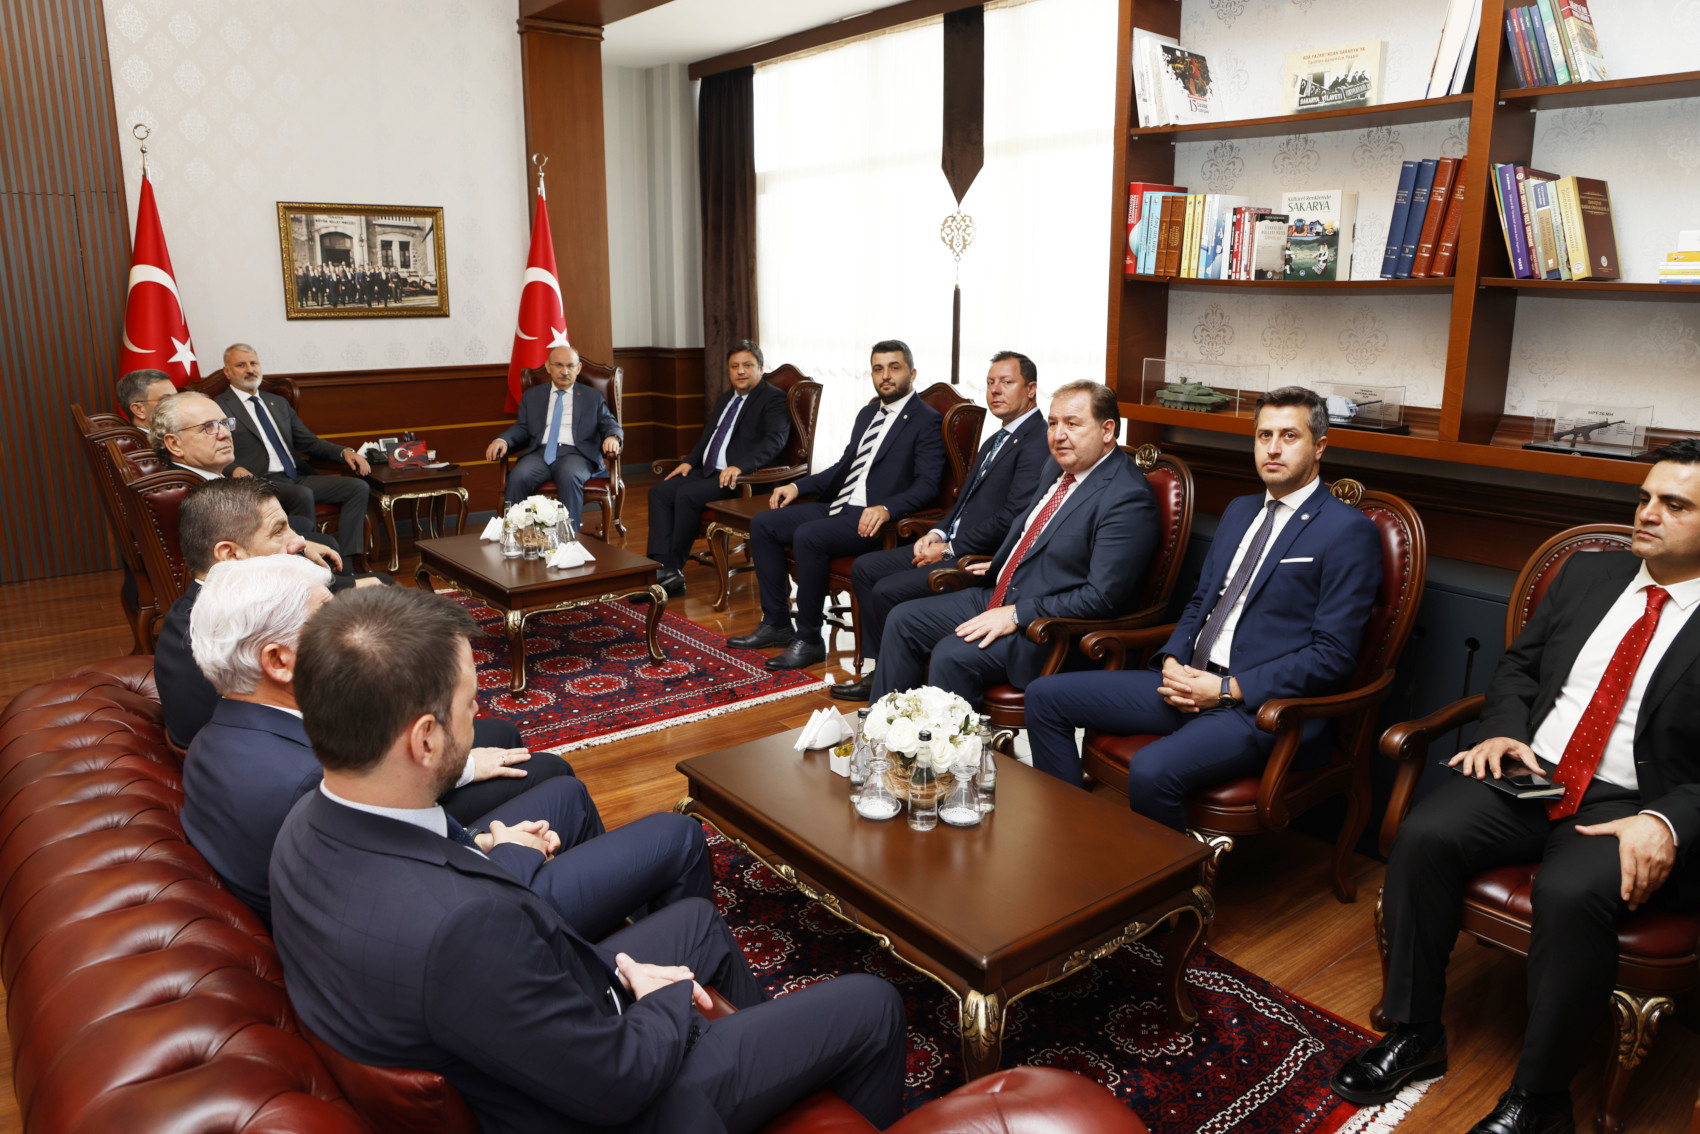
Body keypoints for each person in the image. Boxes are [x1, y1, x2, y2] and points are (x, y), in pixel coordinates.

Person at [270, 586, 908, 1134]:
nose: (479, 715)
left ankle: (769, 1071)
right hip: (619, 1103)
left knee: (698, 923)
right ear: (425, 739)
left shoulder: (304, 823)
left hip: (541, 1029)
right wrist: (666, 1000)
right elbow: (618, 1082)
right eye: (469, 704)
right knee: (872, 1005)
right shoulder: (463, 929)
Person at [1328, 442, 1700, 1134]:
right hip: (1537, 770)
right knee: (1426, 834)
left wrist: (1668, 821)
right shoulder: (1590, 573)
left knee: (1570, 891)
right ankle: (1415, 1032)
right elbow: (1520, 668)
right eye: (1645, 498)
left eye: (1674, 505)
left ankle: (1541, 1099)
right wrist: (1503, 730)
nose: (1647, 514)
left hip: (1632, 804)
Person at [183, 556, 706, 934]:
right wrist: (505, 854)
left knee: (563, 791)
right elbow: (415, 896)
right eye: (326, 618)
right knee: (678, 837)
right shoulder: (304, 784)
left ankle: (611, 921)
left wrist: (480, 840)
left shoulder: (216, 735)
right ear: (278, 661)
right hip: (471, 920)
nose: (346, 625)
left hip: (435, 881)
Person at [1022, 385, 1382, 831]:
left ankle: (1175, 875)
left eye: (1289, 436)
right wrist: (1173, 659)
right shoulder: (1240, 510)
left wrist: (1228, 688)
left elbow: (1332, 655)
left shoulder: (1347, 531)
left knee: (1151, 769)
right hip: (1189, 682)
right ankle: (1065, 835)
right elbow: (1201, 601)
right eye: (1264, 435)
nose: (1272, 448)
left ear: (1319, 446)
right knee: (1044, 697)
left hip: (1257, 710)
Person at [867, 380, 1156, 707]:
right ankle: (884, 729)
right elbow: (1041, 534)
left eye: (1072, 424)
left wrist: (1018, 614)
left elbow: (1102, 597)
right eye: (1052, 423)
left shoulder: (1126, 496)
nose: (1058, 435)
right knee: (903, 620)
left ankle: (946, 742)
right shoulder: (1057, 467)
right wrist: (1010, 561)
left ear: (1107, 430)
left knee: (951, 654)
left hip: (1050, 630)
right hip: (1005, 590)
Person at [835, 351, 1048, 702]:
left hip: (976, 557)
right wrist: (936, 532)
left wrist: (948, 549)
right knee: (866, 568)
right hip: (949, 542)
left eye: (1007, 382)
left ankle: (898, 683)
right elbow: (961, 502)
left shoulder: (1038, 441)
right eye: (990, 383)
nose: (995, 390)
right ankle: (879, 667)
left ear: (1031, 389)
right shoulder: (997, 438)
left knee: (887, 590)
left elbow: (1012, 517)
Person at [154, 478, 420, 748]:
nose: (299, 543)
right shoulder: (212, 638)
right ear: (231, 554)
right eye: (278, 531)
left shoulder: (235, 606)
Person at [729, 340, 945, 672]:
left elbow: (928, 486)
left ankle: (809, 639)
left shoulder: (926, 420)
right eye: (878, 368)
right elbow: (843, 468)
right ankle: (776, 623)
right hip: (839, 506)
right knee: (764, 524)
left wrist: (887, 508)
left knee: (809, 535)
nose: (885, 376)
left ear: (912, 373)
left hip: (874, 519)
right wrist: (796, 486)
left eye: (894, 367)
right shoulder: (868, 414)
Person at [645, 340, 789, 598]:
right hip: (709, 471)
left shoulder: (773, 398)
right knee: (659, 492)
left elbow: (774, 442)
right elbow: (708, 438)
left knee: (686, 495)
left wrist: (740, 466)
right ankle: (659, 567)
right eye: (734, 366)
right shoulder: (726, 398)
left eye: (747, 365)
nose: (740, 371)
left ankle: (673, 571)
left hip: (741, 480)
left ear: (761, 368)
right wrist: (689, 462)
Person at [214, 343, 371, 560]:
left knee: (357, 487)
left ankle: (345, 560)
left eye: (254, 363)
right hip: (258, 481)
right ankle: (307, 563)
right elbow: (212, 450)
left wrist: (344, 452)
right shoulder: (219, 407)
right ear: (227, 371)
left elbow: (308, 442)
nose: (250, 370)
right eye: (241, 365)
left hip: (295, 476)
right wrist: (233, 469)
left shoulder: (277, 403)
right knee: (302, 494)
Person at [486, 344, 624, 530]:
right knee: (518, 476)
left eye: (570, 366)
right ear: (548, 367)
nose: (564, 371)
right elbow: (522, 427)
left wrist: (613, 437)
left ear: (578, 368)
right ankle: (515, 535)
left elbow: (609, 423)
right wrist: (502, 440)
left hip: (577, 454)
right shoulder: (532, 396)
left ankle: (568, 537)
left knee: (569, 475)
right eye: (559, 365)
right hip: (540, 454)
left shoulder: (592, 397)